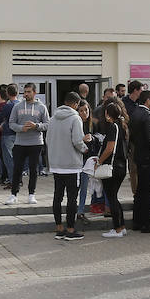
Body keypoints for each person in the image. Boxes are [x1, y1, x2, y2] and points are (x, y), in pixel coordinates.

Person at [46, 92, 89, 240]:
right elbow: (77, 141)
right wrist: (85, 148)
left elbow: (48, 140)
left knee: (57, 196)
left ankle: (59, 228)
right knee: (72, 198)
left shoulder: (52, 118)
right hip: (72, 165)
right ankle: (70, 230)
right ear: (76, 104)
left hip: (56, 164)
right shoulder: (75, 118)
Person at [125, 81, 150, 234]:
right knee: (147, 193)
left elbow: (134, 137)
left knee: (140, 192)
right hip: (149, 158)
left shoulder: (134, 113)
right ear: (147, 100)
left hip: (139, 156)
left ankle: (137, 222)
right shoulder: (147, 114)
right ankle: (147, 224)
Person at [6, 83, 50, 205]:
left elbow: (48, 124)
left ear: (34, 93)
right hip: (20, 142)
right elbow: (11, 123)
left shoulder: (41, 107)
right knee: (17, 169)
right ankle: (13, 195)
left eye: (29, 92)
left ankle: (32, 194)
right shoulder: (17, 106)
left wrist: (36, 126)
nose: (26, 94)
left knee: (33, 169)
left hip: (36, 143)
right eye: (24, 92)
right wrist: (21, 128)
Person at [98, 102, 128, 237]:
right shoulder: (122, 126)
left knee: (111, 197)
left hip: (113, 167)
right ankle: (121, 226)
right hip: (121, 166)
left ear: (107, 114)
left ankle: (117, 229)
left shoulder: (112, 127)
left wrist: (99, 161)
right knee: (114, 197)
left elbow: (110, 148)